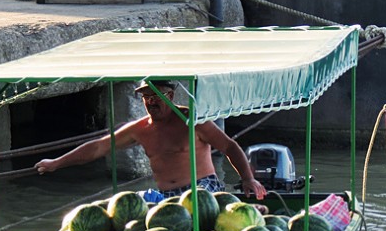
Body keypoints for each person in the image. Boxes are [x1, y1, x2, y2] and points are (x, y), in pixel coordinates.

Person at [35, 80, 267, 200]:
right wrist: (56, 163)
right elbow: (99, 147)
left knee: (195, 202)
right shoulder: (140, 129)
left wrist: (247, 179)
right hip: (166, 198)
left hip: (202, 191)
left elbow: (229, 146)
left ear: (171, 96)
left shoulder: (193, 121)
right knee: (125, 204)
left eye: (157, 96)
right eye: (146, 97)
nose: (151, 102)